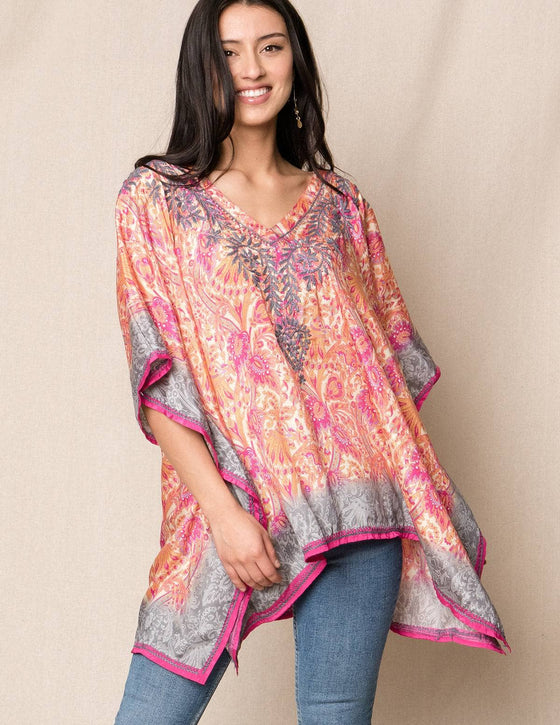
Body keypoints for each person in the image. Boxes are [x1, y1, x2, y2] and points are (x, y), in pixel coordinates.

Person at [113, 1, 509, 722]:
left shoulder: (341, 206)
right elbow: (156, 373)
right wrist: (223, 514)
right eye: (229, 52)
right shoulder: (158, 202)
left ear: (295, 61)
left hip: (357, 505)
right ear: (202, 65)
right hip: (233, 503)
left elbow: (380, 369)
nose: (251, 69)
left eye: (270, 47)